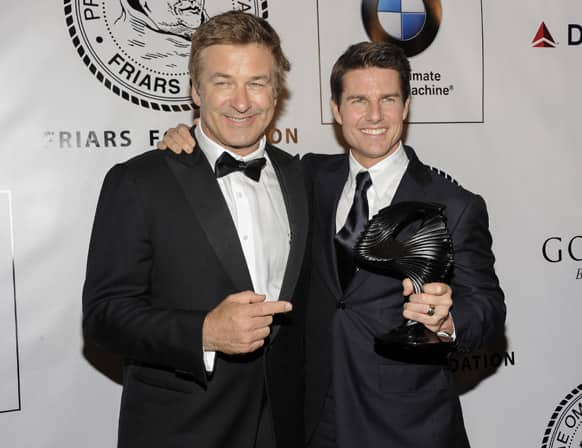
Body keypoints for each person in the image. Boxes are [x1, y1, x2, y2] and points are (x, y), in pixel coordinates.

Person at [158, 42, 506, 447]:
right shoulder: (305, 177)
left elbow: (488, 308)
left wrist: (447, 323)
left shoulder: (455, 205)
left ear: (406, 106)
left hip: (407, 425)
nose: (374, 115)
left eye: (388, 99)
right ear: (336, 111)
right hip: (312, 420)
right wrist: (188, 138)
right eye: (358, 100)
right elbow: (231, 146)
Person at [83, 11, 308, 448]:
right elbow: (103, 317)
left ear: (276, 93)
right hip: (183, 430)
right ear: (195, 90)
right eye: (223, 81)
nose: (241, 102)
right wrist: (203, 331)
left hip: (285, 427)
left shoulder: (301, 178)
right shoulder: (139, 181)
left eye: (257, 83)